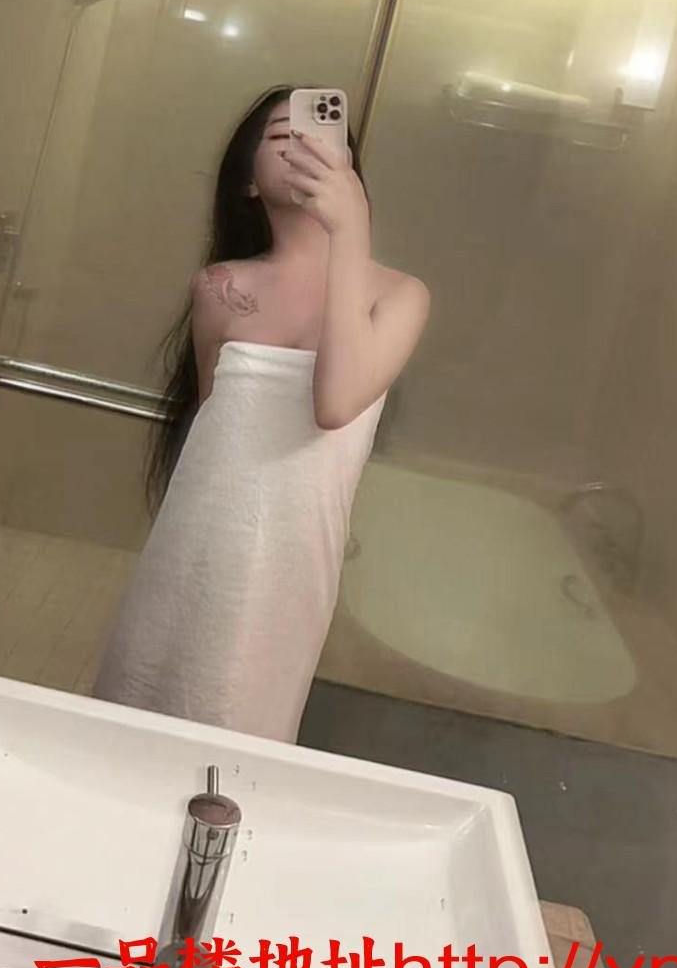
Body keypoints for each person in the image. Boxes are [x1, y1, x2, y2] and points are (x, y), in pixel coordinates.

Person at [91, 85, 429, 742]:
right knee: (133, 717)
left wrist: (350, 231)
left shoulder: (400, 295)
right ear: (248, 181)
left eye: (319, 137)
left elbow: (335, 403)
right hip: (194, 544)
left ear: (349, 169)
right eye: (279, 136)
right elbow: (212, 430)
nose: (301, 145)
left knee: (238, 736)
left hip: (289, 565)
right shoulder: (221, 288)